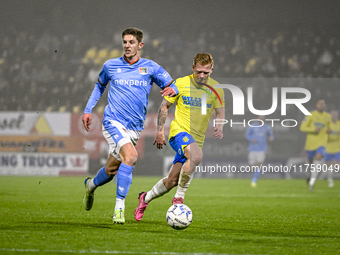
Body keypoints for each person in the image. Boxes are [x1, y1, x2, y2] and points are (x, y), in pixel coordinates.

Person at [82, 27, 178, 224]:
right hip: (112, 121)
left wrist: (171, 93)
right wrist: (88, 109)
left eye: (131, 42)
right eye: (125, 42)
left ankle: (90, 186)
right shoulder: (110, 65)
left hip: (134, 128)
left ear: (140, 45)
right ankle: (119, 207)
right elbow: (99, 86)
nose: (127, 45)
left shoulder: (150, 67)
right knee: (131, 156)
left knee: (110, 171)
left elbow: (173, 85)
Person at [134, 53, 225, 221]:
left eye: (206, 72)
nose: (202, 76)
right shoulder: (180, 83)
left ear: (212, 70)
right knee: (196, 156)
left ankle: (144, 198)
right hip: (179, 133)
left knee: (171, 181)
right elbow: (164, 106)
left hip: (197, 140)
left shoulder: (217, 89)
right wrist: (160, 131)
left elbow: (220, 111)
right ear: (193, 68)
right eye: (199, 72)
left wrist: (219, 125)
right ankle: (179, 198)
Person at [299, 98, 331, 191]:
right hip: (310, 144)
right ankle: (309, 175)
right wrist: (313, 129)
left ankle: (312, 183)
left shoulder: (327, 116)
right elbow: (302, 127)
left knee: (318, 157)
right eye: (320, 103)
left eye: (323, 103)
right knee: (310, 163)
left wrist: (329, 130)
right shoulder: (310, 115)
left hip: (321, 143)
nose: (321, 105)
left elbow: (329, 127)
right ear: (316, 105)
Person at [245, 115, 274, 187]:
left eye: (262, 118)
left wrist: (271, 138)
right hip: (253, 148)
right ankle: (255, 175)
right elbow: (247, 135)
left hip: (262, 149)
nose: (261, 119)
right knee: (251, 165)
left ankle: (254, 180)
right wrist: (252, 139)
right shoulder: (253, 126)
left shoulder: (266, 127)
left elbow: (271, 135)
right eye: (259, 118)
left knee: (259, 163)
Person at [324, 110, 340, 188]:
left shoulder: (339, 124)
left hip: (337, 148)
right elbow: (322, 135)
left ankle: (333, 177)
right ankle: (330, 181)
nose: (334, 116)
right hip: (328, 148)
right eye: (332, 115)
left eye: (335, 115)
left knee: (336, 165)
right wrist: (326, 132)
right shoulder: (327, 125)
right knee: (328, 166)